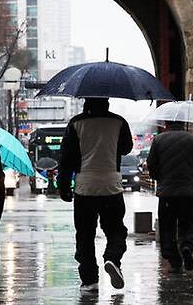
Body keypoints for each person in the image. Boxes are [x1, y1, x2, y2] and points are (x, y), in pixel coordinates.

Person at [59, 97, 133, 292]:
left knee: (84, 235)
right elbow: (127, 148)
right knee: (116, 230)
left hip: (85, 186)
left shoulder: (76, 123)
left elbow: (66, 157)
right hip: (111, 184)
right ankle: (112, 258)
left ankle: (89, 279)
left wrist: (64, 185)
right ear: (107, 102)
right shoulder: (119, 122)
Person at [147, 121, 193, 272]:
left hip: (167, 192)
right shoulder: (192, 139)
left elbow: (151, 164)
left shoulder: (158, 140)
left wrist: (160, 177)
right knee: (188, 223)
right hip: (187, 191)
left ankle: (173, 258)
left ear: (167, 123)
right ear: (182, 123)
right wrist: (190, 175)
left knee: (167, 226)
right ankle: (186, 247)